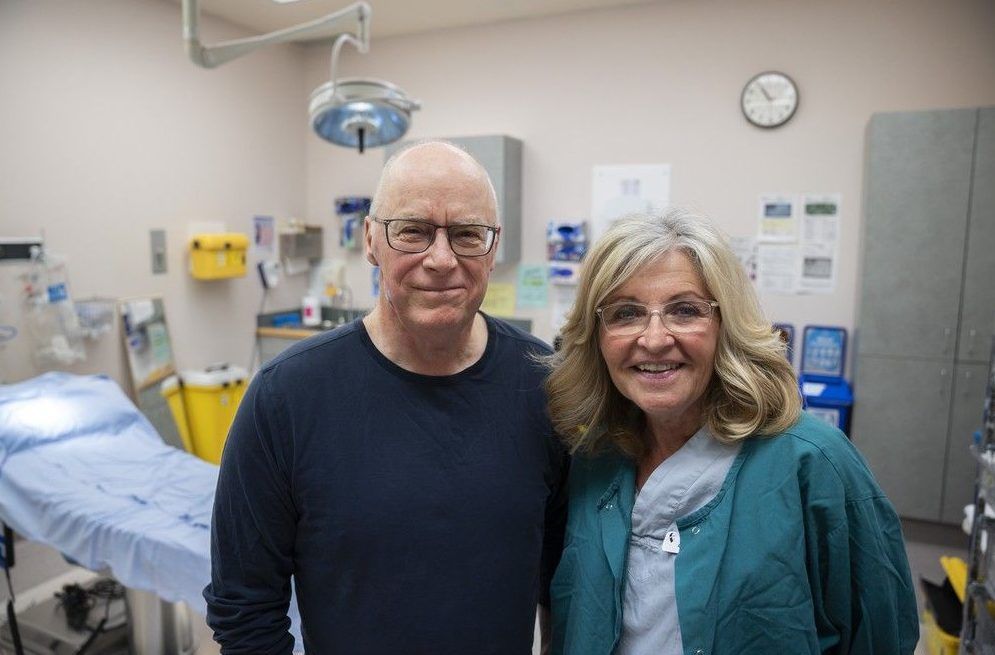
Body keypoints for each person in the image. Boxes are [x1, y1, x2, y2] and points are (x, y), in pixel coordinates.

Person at [204, 141, 567, 654]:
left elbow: (565, 577)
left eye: (467, 234)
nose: (440, 259)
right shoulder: (286, 397)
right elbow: (243, 607)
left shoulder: (545, 385)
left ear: (493, 247)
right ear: (371, 239)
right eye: (413, 231)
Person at [546, 210, 918, 655]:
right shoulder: (593, 457)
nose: (655, 338)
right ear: (596, 335)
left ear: (727, 326)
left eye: (685, 310)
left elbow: (880, 635)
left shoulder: (816, 464)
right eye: (625, 313)